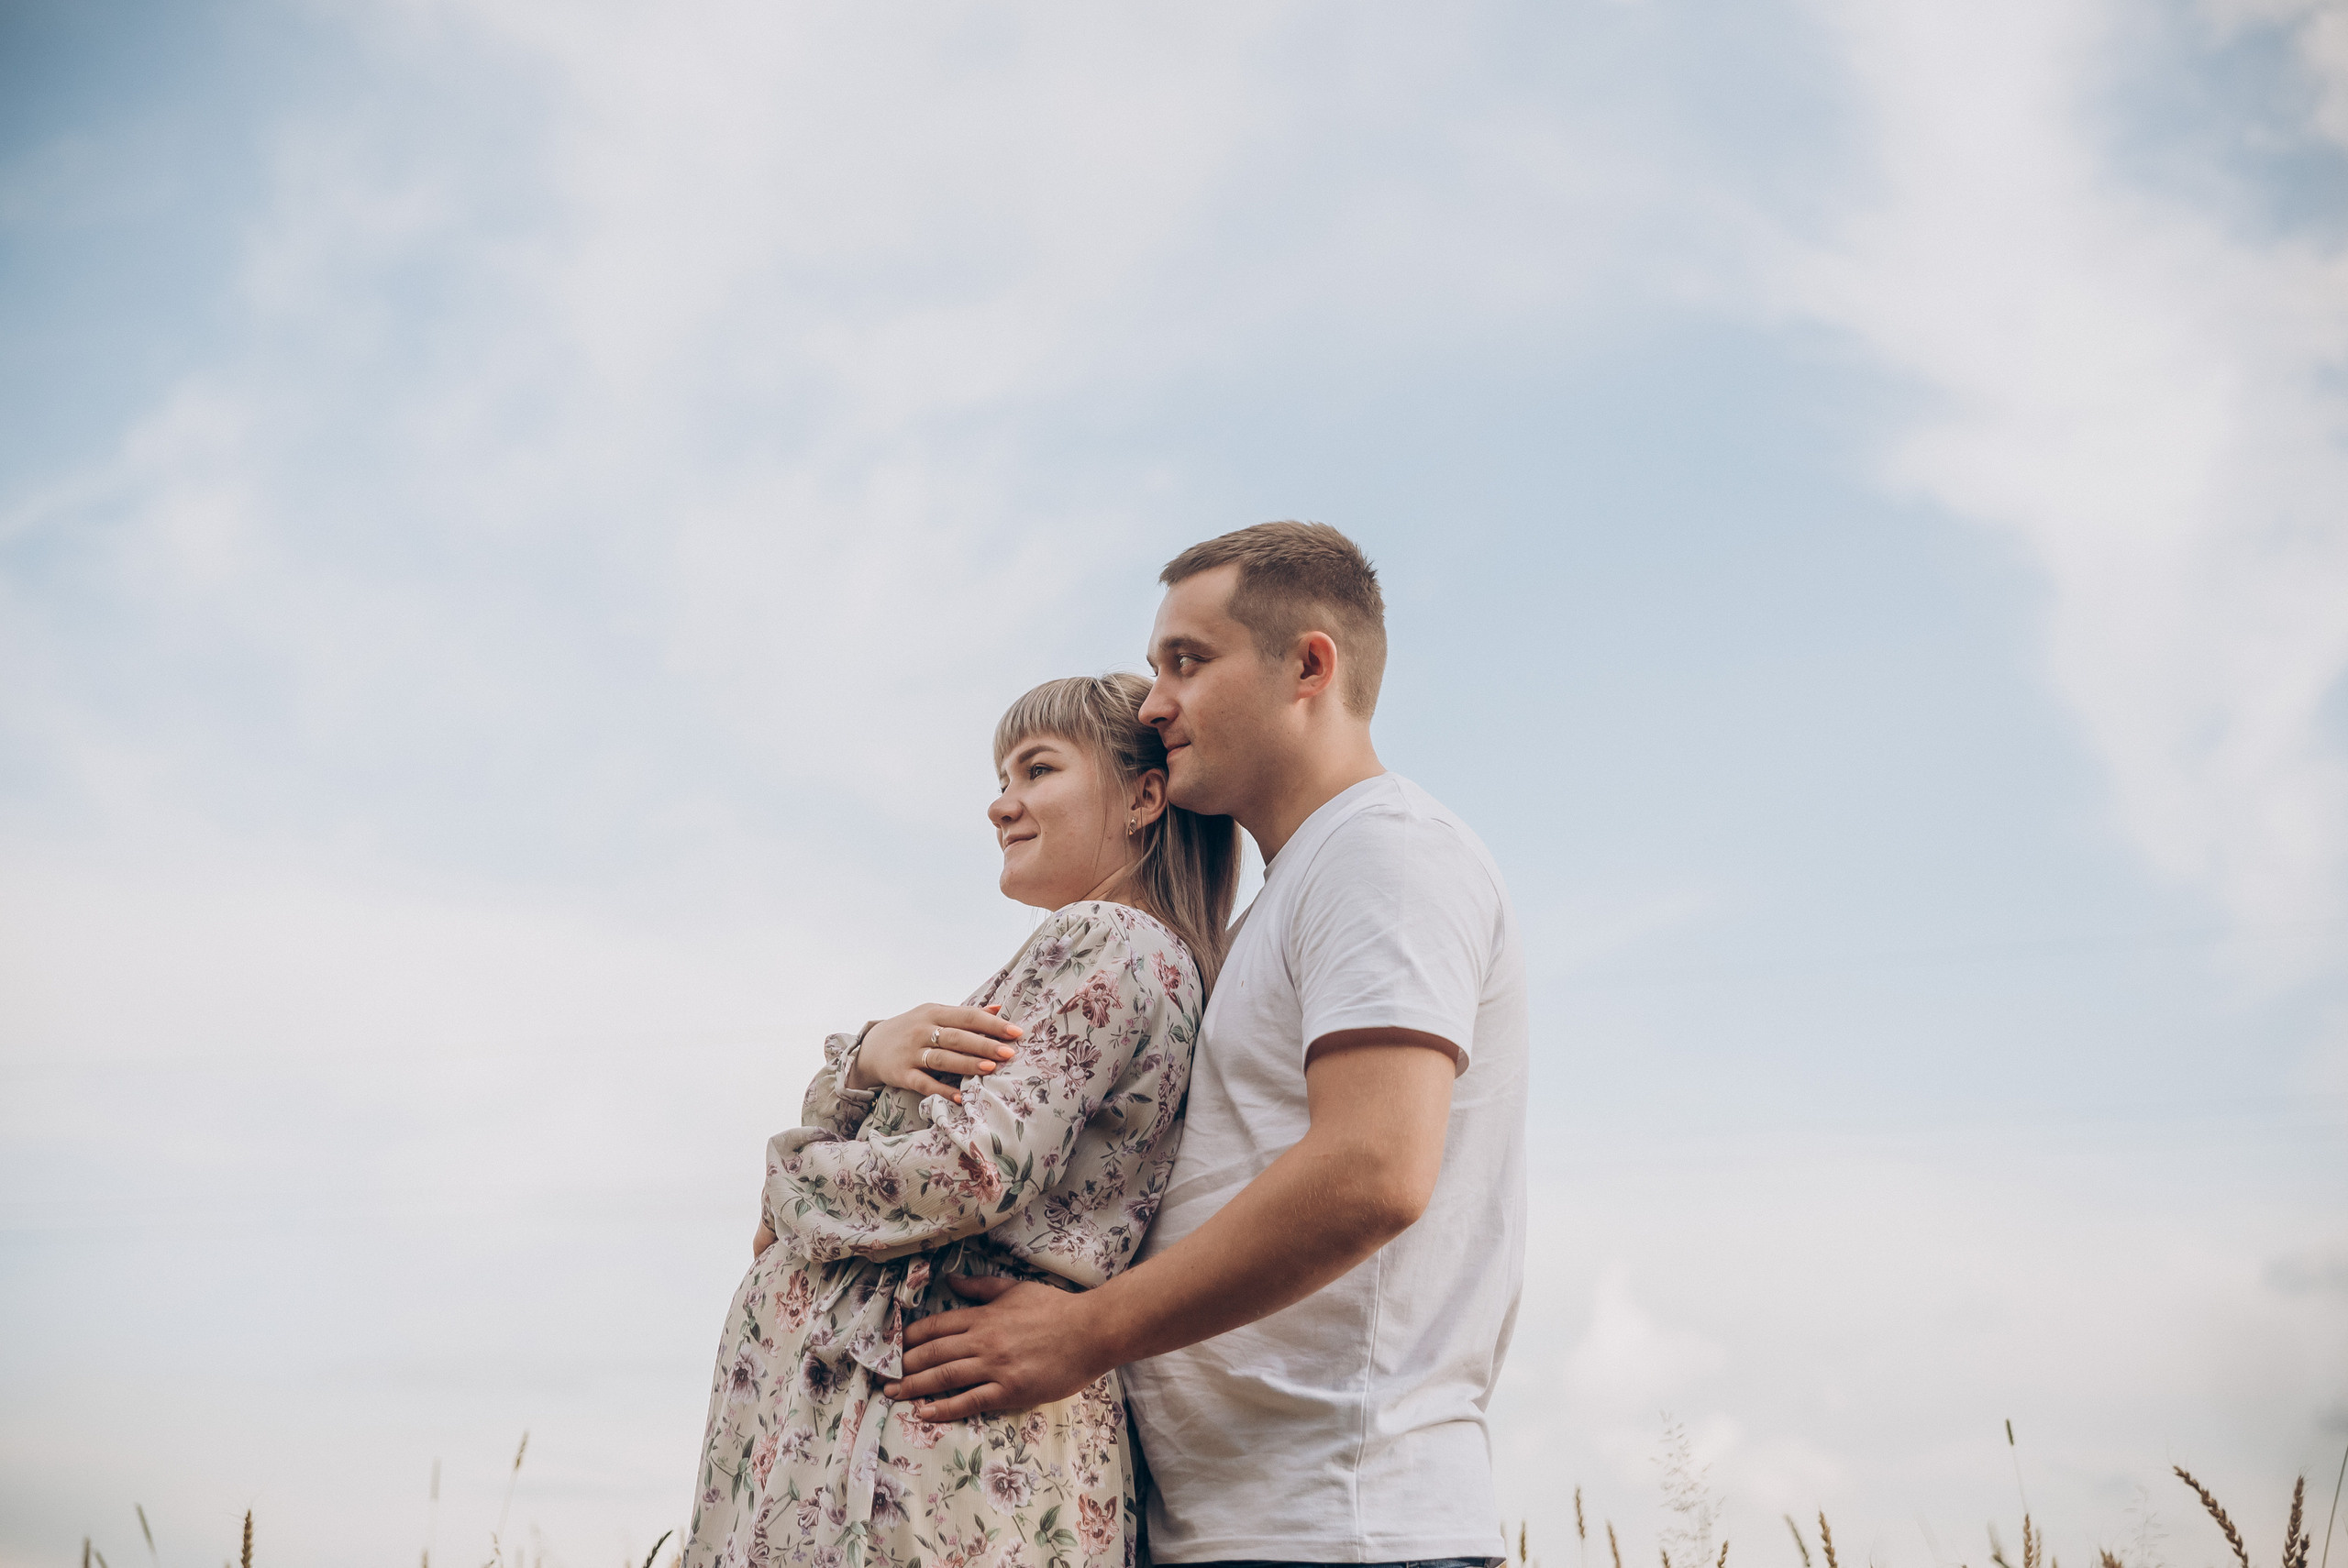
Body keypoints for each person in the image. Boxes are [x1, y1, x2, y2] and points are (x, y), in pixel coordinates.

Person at [886, 523, 1529, 1567]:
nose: (1152, 704)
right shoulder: (1274, 908)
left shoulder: (1385, 854)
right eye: (1153, 669)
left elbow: (1375, 1168)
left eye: (1187, 662)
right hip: (1237, 1524)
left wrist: (1080, 1334)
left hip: (1341, 1528)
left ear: (1307, 666)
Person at [682, 673, 1240, 1568]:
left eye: (1035, 770)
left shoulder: (1102, 939)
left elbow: (968, 1170)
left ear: (1143, 797)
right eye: (1000, 777)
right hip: (960, 1439)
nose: (999, 805)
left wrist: (790, 1179)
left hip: (943, 1453)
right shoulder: (1141, 957)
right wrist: (861, 1056)